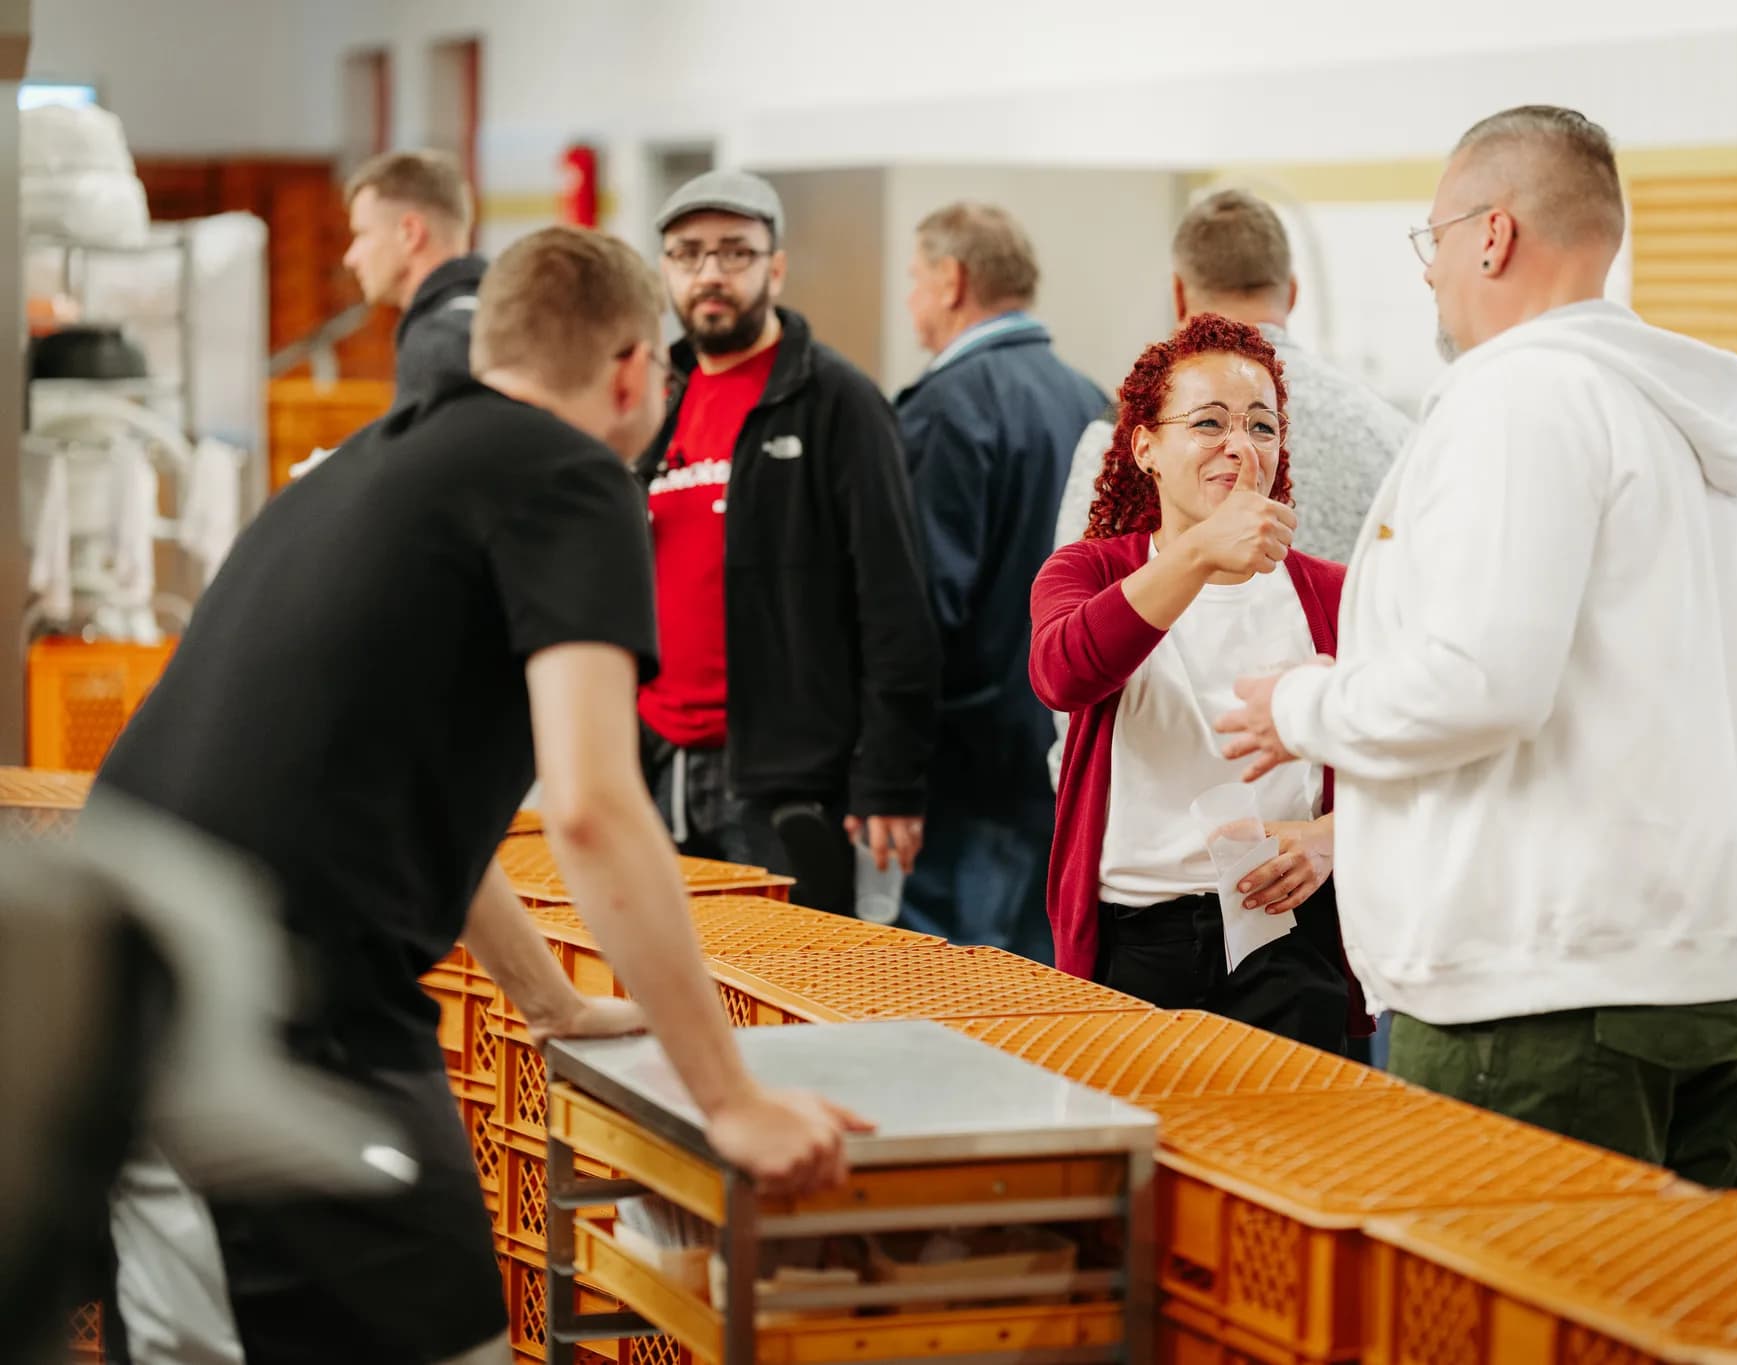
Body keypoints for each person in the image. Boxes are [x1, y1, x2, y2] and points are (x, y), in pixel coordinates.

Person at [92, 226, 868, 1364]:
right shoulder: (571, 475)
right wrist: (732, 1103)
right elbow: (595, 807)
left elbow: (404, 805)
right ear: (627, 370)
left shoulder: (368, 468)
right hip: (231, 1012)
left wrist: (550, 1004)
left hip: (187, 982)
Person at [1216, 105, 1737, 1187]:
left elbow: (1481, 680)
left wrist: (1301, 704)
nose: (1428, 272)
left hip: (1547, 994)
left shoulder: (1519, 398)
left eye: (1433, 238)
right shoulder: (1723, 441)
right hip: (1724, 977)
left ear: (1491, 236)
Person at [1030, 315, 1351, 1054]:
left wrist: (1334, 837)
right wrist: (1201, 550)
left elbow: (1421, 760)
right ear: (1145, 446)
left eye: (1262, 426)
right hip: (1134, 943)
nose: (1241, 446)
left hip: (1288, 937)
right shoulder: (1089, 571)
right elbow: (1062, 673)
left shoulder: (1332, 594)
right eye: (1209, 422)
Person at [637, 170, 938, 919]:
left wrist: (889, 779)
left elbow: (895, 599)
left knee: (784, 984)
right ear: (665, 269)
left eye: (734, 252)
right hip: (660, 763)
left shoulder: (837, 401)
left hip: (787, 785)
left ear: (775, 267)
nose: (710, 273)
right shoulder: (651, 397)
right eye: (688, 254)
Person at [896, 203, 1106, 960]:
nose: (910, 299)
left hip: (968, 768)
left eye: (915, 279)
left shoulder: (946, 408)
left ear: (952, 281)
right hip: (1062, 748)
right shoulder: (1091, 400)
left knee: (952, 986)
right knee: (1041, 980)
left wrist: (888, 762)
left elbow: (923, 605)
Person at [1053, 187, 1412, 559]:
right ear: (1292, 293)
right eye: (1209, 423)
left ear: (1178, 294)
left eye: (1264, 427)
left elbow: (1075, 574)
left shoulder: (1127, 429)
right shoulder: (1387, 429)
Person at [342, 149, 488, 410]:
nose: (350, 258)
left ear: (410, 233)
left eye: (362, 234)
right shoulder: (499, 313)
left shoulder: (441, 342)